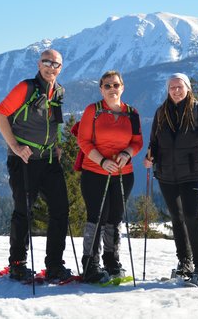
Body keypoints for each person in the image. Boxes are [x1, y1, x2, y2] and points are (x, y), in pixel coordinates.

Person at [0, 49, 73, 282]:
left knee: (60, 210)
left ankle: (55, 265)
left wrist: (57, 146)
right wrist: (15, 147)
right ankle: (17, 263)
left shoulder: (59, 91)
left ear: (61, 68)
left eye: (55, 64)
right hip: (24, 161)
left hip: (49, 160)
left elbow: (55, 122)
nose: (51, 67)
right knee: (23, 212)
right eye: (47, 62)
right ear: (39, 64)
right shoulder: (25, 88)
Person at [143, 73, 198, 286]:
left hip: (191, 173)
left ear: (188, 88)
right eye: (172, 87)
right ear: (168, 90)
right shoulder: (161, 112)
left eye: (180, 86)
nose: (176, 90)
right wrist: (150, 158)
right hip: (166, 173)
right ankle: (184, 262)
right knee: (176, 218)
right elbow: (154, 142)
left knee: (191, 216)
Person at [77, 70, 143, 283]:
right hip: (95, 172)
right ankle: (90, 265)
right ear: (101, 89)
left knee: (114, 219)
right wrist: (103, 162)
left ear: (122, 87)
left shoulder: (132, 113)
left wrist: (127, 153)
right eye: (107, 86)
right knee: (96, 218)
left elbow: (137, 142)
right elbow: (83, 141)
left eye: (116, 85)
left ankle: (112, 261)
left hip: (124, 174)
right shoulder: (92, 111)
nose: (112, 89)